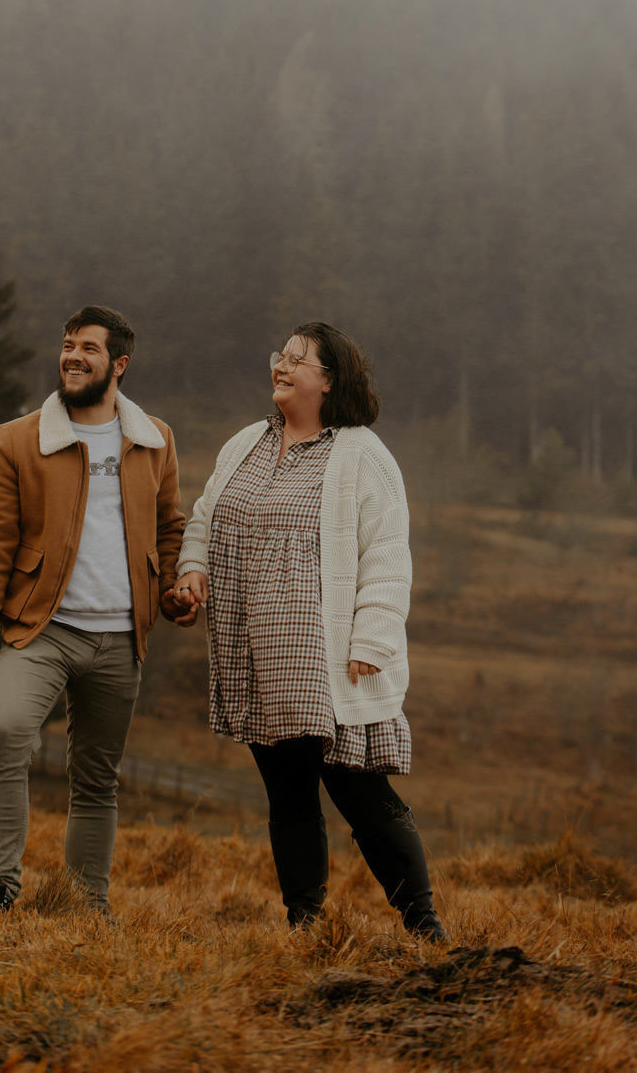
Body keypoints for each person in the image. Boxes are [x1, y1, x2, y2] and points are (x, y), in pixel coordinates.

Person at [173, 322, 445, 940]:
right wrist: (193, 572)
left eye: (298, 359)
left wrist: (372, 639)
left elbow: (386, 555)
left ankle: (425, 928)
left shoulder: (361, 455)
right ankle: (306, 926)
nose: (282, 365)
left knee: (359, 793)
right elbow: (205, 519)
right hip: (253, 651)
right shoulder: (246, 442)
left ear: (329, 380)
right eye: (281, 356)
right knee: (287, 793)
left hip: (326, 660)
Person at [0, 304, 189, 916]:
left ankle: (87, 904)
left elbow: (170, 529)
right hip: (40, 631)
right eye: (67, 344)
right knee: (6, 733)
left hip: (120, 638)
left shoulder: (154, 439)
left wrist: (173, 591)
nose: (72, 355)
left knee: (95, 778)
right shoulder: (19, 439)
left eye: (88, 347)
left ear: (119, 364)